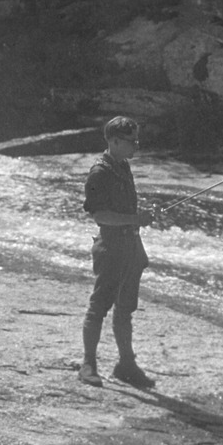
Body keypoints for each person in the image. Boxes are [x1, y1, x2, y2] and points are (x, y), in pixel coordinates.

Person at [80, 116, 155, 389]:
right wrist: (135, 219)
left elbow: (123, 211)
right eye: (131, 141)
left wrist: (137, 218)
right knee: (99, 307)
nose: (136, 146)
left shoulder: (123, 166)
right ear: (113, 142)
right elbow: (100, 216)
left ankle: (126, 364)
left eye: (137, 140)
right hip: (111, 247)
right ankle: (88, 364)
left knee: (125, 309)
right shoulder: (99, 172)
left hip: (131, 247)